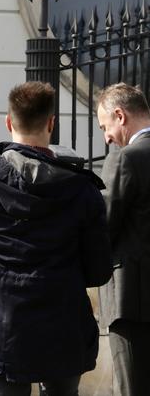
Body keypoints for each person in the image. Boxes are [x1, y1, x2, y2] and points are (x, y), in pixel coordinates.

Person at [0, 81, 112, 395]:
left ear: (9, 122)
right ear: (52, 123)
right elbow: (99, 271)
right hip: (62, 327)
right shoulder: (83, 190)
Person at [96, 82, 150, 396]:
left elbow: (103, 225)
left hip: (130, 302)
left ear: (120, 115)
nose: (106, 136)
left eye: (105, 126)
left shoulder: (125, 158)